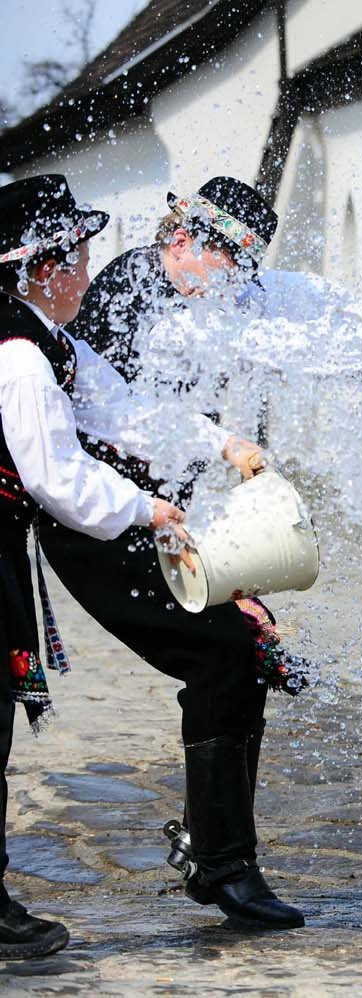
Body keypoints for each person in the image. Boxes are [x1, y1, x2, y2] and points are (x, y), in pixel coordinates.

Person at [38, 177, 305, 931]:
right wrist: (202, 558)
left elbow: (177, 438)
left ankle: (215, 848)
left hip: (157, 520)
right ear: (185, 238)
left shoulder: (188, 300)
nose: (238, 285)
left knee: (246, 652)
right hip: (97, 521)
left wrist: (225, 556)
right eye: (233, 266)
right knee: (226, 652)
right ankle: (221, 865)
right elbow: (118, 430)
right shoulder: (129, 295)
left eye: (249, 272)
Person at [0, 175, 236, 957]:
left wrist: (217, 443)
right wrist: (146, 508)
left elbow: (123, 408)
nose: (88, 269)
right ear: (40, 267)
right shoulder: (20, 355)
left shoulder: (52, 343)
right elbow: (57, 478)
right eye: (78, 255)